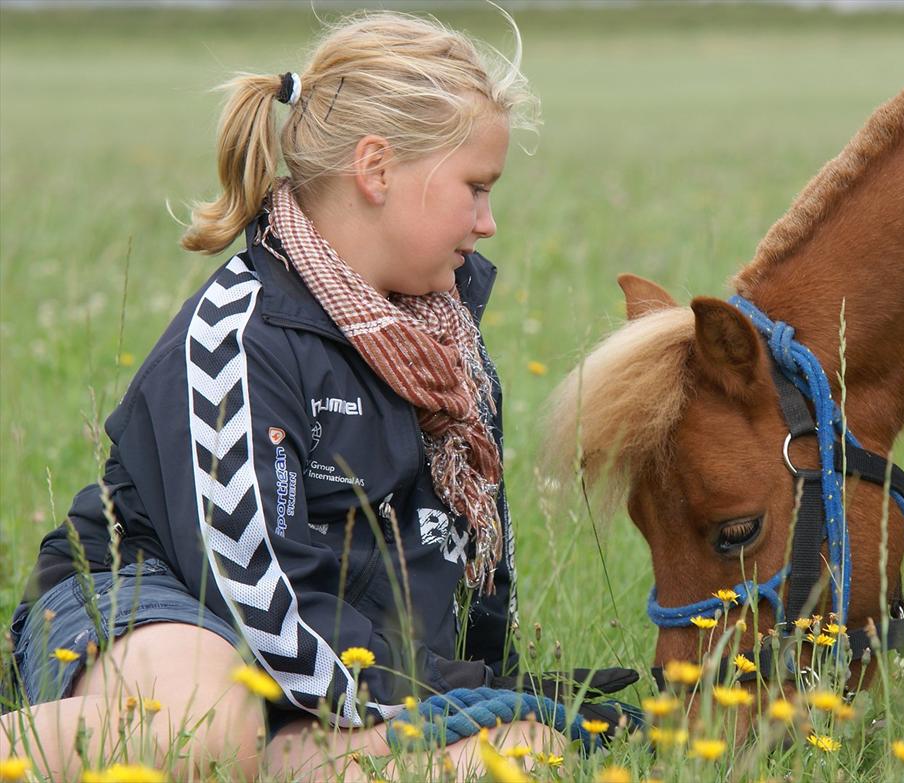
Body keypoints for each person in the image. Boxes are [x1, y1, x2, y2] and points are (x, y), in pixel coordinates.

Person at [0, 11, 631, 781]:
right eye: (475, 189)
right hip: (154, 601)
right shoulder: (242, 335)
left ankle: (282, 752)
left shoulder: (445, 345)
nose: (488, 222)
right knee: (203, 729)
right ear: (376, 169)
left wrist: (498, 691)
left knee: (524, 752)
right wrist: (458, 696)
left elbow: (452, 576)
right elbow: (249, 577)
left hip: (315, 650)